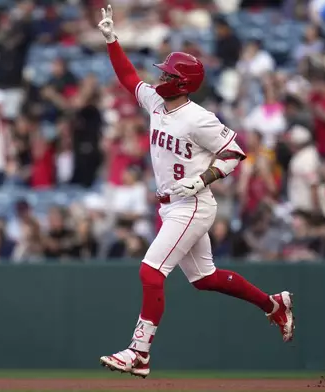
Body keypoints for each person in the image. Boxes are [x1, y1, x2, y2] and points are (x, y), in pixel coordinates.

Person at [96, 5, 295, 378]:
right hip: (172, 204)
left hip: (192, 203)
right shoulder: (156, 102)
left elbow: (235, 153)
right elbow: (128, 78)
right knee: (205, 279)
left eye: (169, 74)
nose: (161, 78)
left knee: (151, 271)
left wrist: (204, 179)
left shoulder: (199, 118)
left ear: (183, 83)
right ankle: (273, 305)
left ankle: (139, 353)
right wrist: (112, 39)